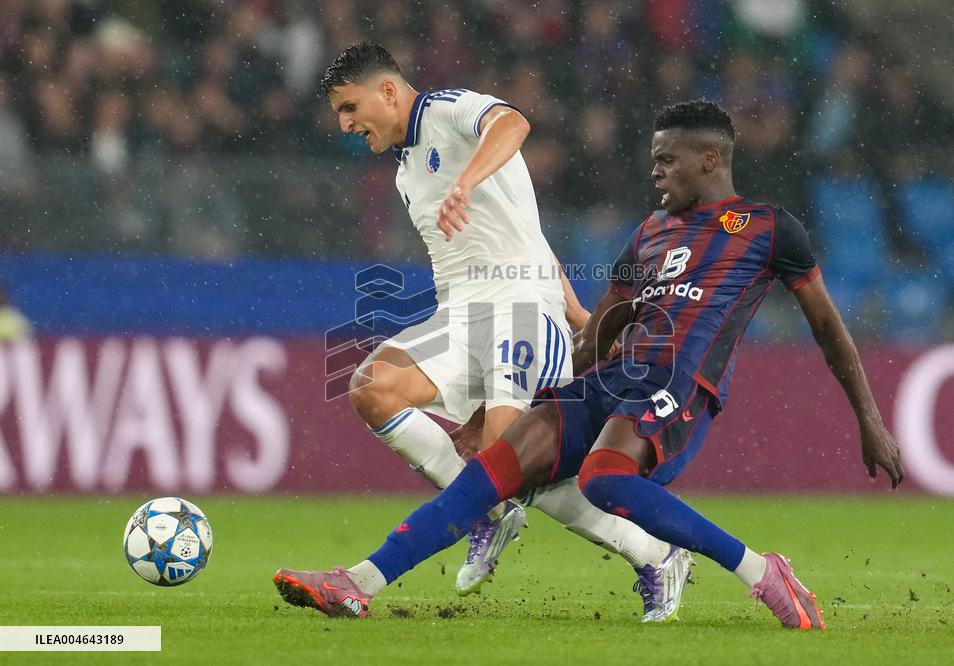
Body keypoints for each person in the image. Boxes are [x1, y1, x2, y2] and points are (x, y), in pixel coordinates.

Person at [273, 99, 906, 627]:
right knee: (490, 472)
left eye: (667, 159)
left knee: (604, 477)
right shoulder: (653, 229)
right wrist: (538, 400)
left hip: (681, 384)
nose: (655, 171)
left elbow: (829, 329)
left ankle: (762, 571)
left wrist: (869, 420)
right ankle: (354, 583)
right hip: (613, 377)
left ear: (709, 159)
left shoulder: (769, 227)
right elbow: (606, 324)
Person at [275, 42, 692, 621]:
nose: (346, 125)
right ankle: (486, 513)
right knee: (373, 386)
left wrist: (465, 182)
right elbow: (530, 236)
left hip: (520, 309)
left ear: (389, 92)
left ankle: (654, 554)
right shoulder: (403, 171)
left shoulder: (445, 110)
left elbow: (514, 121)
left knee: (511, 463)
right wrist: (582, 318)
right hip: (460, 314)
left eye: (350, 108)